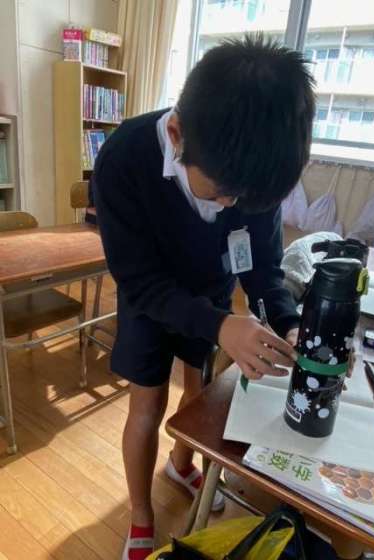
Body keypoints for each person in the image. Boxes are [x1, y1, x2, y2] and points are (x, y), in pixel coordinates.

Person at [93, 34, 315, 560]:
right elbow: (138, 281)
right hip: (149, 295)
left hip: (211, 294)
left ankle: (182, 465)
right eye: (220, 192)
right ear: (176, 134)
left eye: (246, 199)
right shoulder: (123, 158)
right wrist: (220, 325)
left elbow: (263, 267)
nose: (231, 205)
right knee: (148, 403)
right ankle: (141, 515)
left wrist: (288, 321)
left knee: (200, 392)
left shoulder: (252, 174)